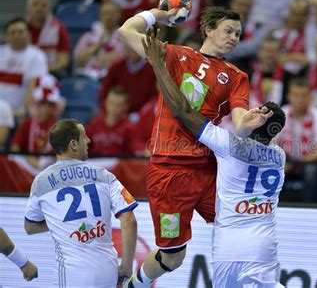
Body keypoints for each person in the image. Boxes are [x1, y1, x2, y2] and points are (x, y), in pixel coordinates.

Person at [126, 27, 286, 288]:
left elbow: (182, 110)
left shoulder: (228, 146)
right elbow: (263, 134)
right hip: (263, 243)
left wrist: (157, 64)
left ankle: (136, 284)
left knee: (175, 257)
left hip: (230, 245)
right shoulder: (279, 156)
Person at [24, 119, 138, 287]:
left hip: (73, 273)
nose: (89, 140)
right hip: (108, 270)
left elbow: (30, 227)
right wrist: (127, 267)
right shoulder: (104, 175)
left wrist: (60, 222)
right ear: (73, 145)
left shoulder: (42, 182)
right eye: (84, 136)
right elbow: (129, 219)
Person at [0, 17, 48, 118]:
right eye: (12, 33)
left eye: (20, 32)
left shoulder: (37, 56)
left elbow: (34, 86)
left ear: (29, 34)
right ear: (7, 37)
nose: (17, 35)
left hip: (17, 113)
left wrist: (23, 110)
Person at [26, 0, 71, 75]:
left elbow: (64, 61)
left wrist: (43, 70)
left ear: (50, 9)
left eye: (44, 5)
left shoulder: (59, 28)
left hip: (51, 72)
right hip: (26, 72)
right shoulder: (21, 29)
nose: (39, 9)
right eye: (35, 4)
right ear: (28, 7)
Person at [87, 87, 136, 156]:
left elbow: (132, 155)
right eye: (111, 103)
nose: (114, 108)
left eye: (118, 105)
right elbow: (84, 148)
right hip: (94, 163)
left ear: (126, 107)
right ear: (105, 102)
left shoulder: (129, 128)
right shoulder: (93, 124)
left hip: (118, 164)